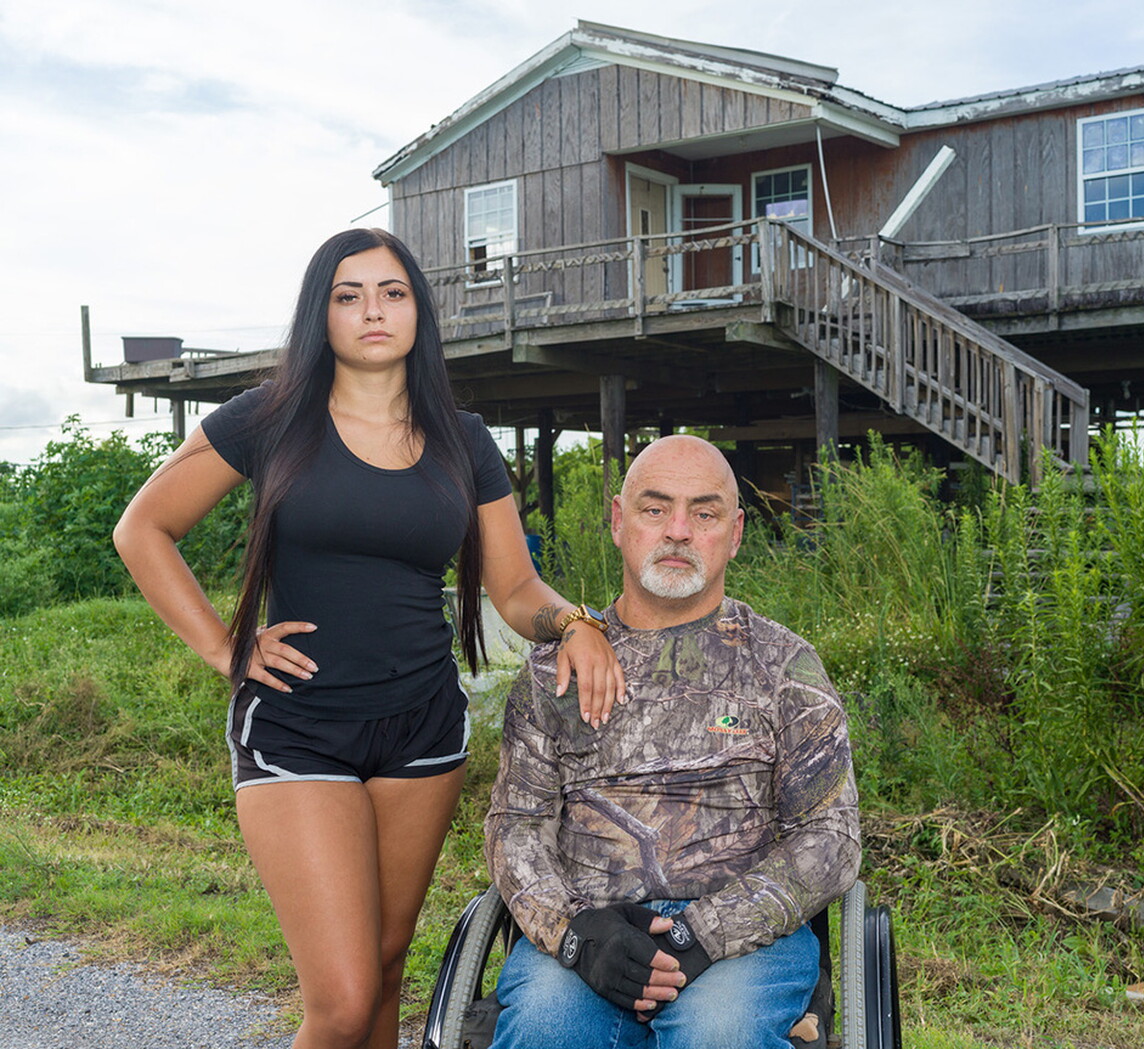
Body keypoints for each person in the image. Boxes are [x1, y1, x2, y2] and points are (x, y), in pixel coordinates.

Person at [113, 227, 625, 1049]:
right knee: (345, 1000)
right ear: (322, 316)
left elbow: (515, 585)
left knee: (387, 966)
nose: (372, 311)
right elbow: (143, 528)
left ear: (418, 309)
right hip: (297, 726)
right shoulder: (270, 417)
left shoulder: (463, 438)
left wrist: (575, 622)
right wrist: (226, 647)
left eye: (391, 292)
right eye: (347, 296)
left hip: (422, 730)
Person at [484, 434, 861, 1049]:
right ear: (618, 521)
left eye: (704, 513)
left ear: (735, 532)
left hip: (743, 940)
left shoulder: (784, 666)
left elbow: (832, 838)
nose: (679, 531)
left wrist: (704, 935)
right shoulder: (551, 672)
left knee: (717, 1034)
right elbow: (515, 826)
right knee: (544, 1031)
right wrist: (577, 934)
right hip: (591, 927)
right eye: (655, 509)